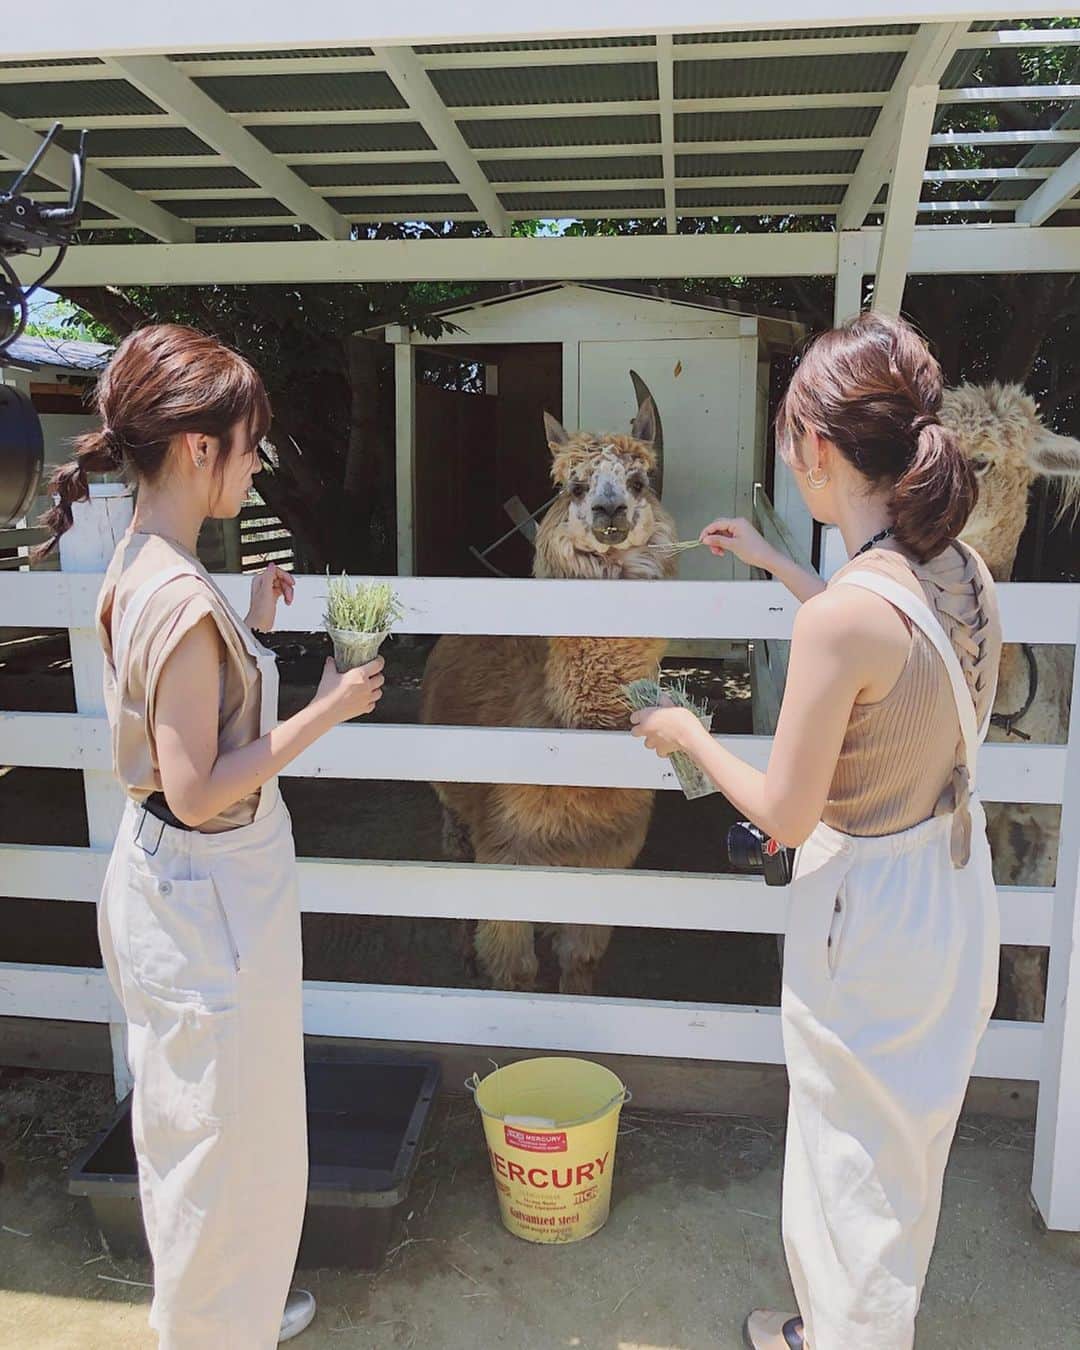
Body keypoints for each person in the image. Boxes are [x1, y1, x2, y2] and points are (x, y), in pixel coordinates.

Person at [630, 312, 1001, 1350]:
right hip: (950, 891)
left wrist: (689, 732)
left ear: (819, 451)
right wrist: (775, 563)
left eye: (790, 438)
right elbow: (875, 643)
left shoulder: (846, 616)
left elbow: (787, 811)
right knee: (900, 1157)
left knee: (846, 1168)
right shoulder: (955, 569)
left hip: (869, 913)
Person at [39, 324, 385, 1348]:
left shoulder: (146, 562)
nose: (257, 463)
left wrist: (246, 622)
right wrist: (328, 705)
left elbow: (180, 715)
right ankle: (215, 1328)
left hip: (175, 889)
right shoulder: (183, 600)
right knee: (225, 1144)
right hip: (207, 886)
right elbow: (195, 788)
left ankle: (232, 1312)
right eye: (250, 443)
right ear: (199, 448)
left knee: (204, 1130)